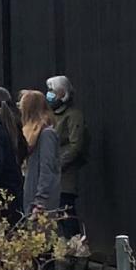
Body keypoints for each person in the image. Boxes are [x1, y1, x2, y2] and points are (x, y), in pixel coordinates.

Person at [17, 86, 65, 270]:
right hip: (34, 197)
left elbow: (48, 170)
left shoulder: (46, 134)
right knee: (37, 247)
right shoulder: (36, 134)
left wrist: (40, 200)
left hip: (41, 200)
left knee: (41, 247)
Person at [45, 76, 88, 248]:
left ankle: (76, 248)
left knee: (66, 210)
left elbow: (76, 145)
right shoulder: (51, 115)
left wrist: (58, 163)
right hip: (52, 170)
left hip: (65, 171)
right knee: (55, 213)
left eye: (54, 92)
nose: (50, 95)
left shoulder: (73, 115)